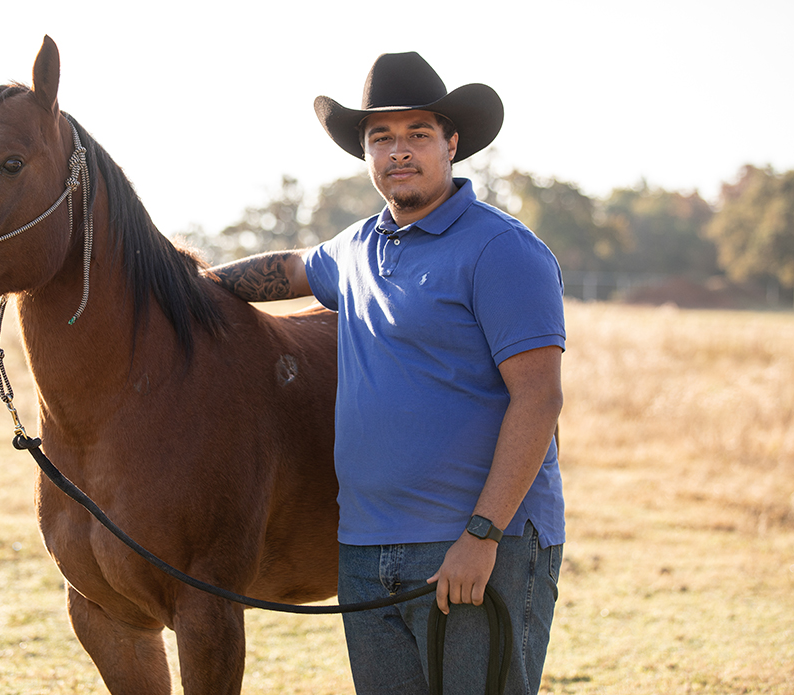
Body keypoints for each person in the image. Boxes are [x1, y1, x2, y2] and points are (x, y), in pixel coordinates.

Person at [210, 52, 565, 695]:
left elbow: (538, 399)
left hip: (479, 547)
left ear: (452, 144)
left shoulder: (502, 249)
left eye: (417, 134)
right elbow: (289, 268)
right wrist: (191, 285)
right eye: (382, 138)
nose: (399, 152)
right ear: (366, 154)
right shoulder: (354, 248)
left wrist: (480, 537)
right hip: (368, 551)